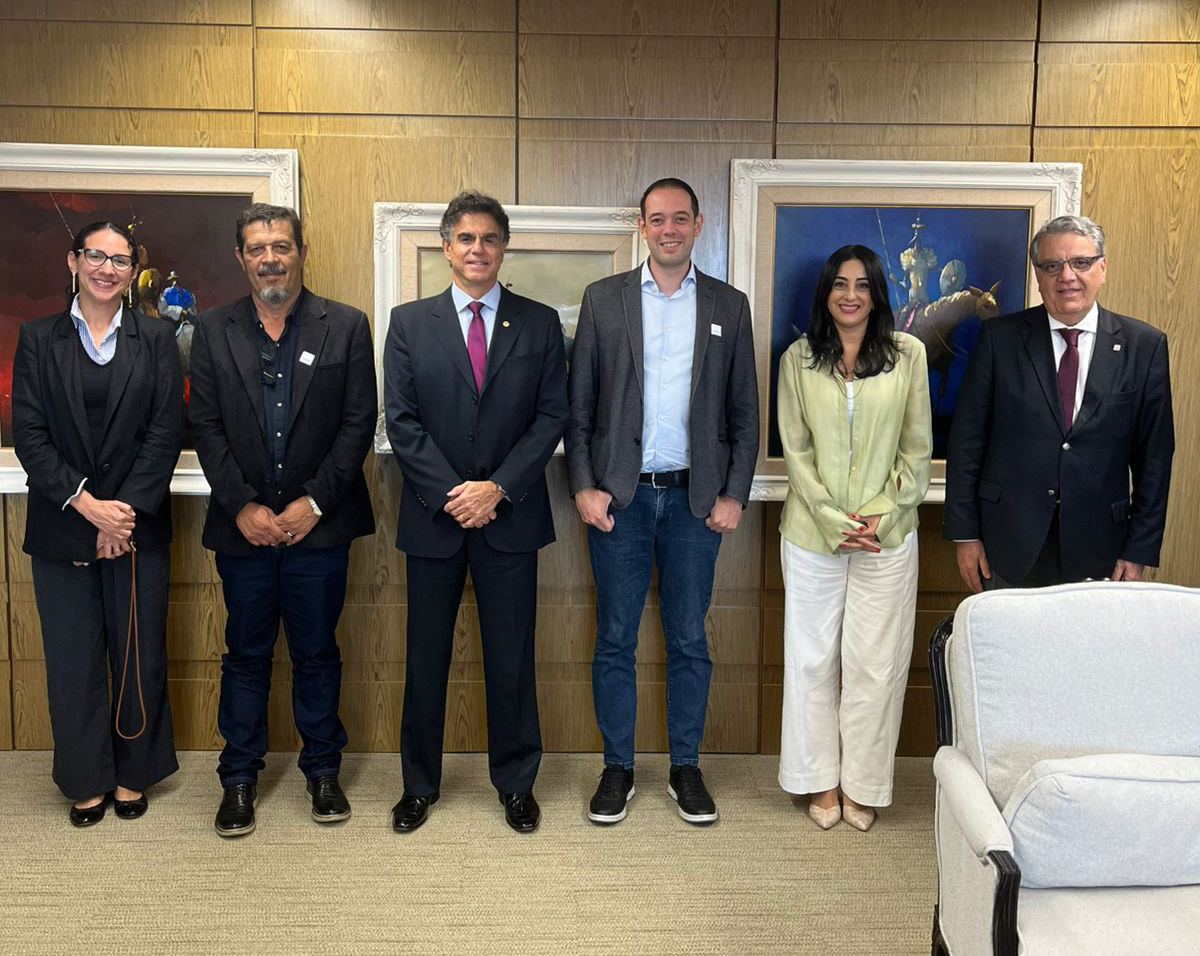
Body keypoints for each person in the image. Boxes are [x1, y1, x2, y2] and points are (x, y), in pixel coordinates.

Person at [566, 177, 758, 827]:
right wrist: (584, 486)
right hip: (617, 502)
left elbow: (744, 413)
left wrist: (734, 493)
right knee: (614, 639)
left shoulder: (729, 306)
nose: (668, 229)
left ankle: (685, 768)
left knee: (689, 640)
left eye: (680, 218)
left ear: (699, 225)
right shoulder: (604, 300)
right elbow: (579, 406)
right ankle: (617, 768)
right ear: (642, 226)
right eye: (657, 219)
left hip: (695, 504)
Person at [189, 203, 376, 837]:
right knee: (245, 654)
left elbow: (357, 424)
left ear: (301, 252)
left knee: (316, 652)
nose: (270, 258)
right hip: (242, 529)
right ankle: (238, 778)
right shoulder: (213, 329)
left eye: (281, 246)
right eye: (257, 248)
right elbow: (205, 426)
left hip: (319, 528)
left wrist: (313, 502)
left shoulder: (345, 325)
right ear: (241, 258)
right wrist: (242, 505)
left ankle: (323, 772)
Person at [384, 190, 567, 834]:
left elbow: (552, 416)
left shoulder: (539, 323)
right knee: (425, 659)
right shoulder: (410, 323)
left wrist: (497, 489)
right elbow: (402, 421)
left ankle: (517, 784)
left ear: (504, 247)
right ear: (446, 247)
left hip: (509, 517)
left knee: (511, 659)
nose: (477, 249)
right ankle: (418, 786)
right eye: (465, 238)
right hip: (434, 517)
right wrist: (455, 493)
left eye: (489, 238)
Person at [13, 220, 183, 826]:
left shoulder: (156, 338)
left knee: (139, 654)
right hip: (64, 525)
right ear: (73, 261)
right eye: (96, 256)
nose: (107, 268)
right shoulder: (39, 338)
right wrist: (88, 506)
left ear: (132, 270)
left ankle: (134, 774)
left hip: (136, 528)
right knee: (73, 658)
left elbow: (165, 431)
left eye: (120, 259)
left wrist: (122, 516)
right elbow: (30, 435)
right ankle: (86, 780)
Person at [775, 245, 930, 832]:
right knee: (812, 660)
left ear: (877, 294)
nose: (850, 295)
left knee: (875, 665)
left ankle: (863, 785)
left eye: (862, 285)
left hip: (886, 539)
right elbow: (796, 450)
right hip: (811, 535)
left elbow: (916, 452)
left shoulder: (908, 355)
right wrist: (833, 520)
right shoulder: (797, 360)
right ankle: (821, 780)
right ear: (826, 292)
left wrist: (880, 519)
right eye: (840, 284)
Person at [945, 215, 1174, 590]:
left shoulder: (1144, 346)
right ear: (1038, 275)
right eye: (1052, 266)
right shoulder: (998, 339)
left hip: (1102, 547)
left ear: (1102, 267)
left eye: (1081, 262)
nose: (1067, 276)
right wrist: (965, 534)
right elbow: (966, 442)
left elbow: (1155, 459)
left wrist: (1139, 549)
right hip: (1006, 543)